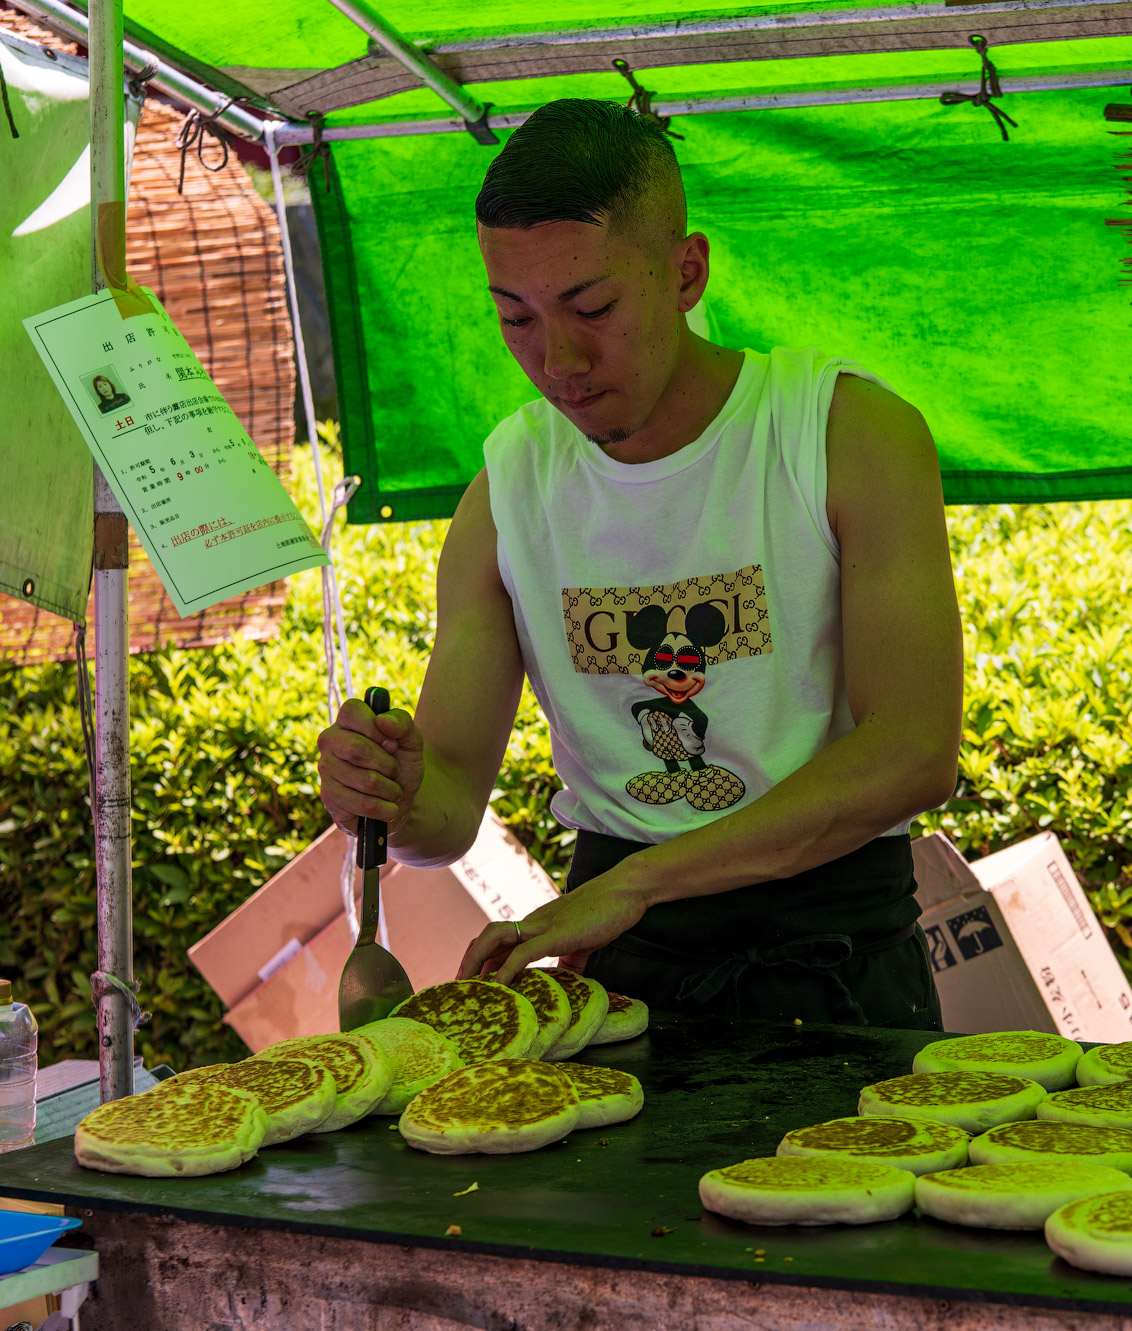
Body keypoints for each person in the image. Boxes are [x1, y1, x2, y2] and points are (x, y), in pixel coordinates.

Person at [314, 99, 963, 1029]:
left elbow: (910, 754)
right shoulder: (506, 496)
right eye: (516, 318)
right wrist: (389, 796)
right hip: (618, 963)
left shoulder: (842, 436)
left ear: (686, 271)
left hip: (835, 947)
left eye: (594, 307)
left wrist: (645, 880)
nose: (559, 358)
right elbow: (445, 813)